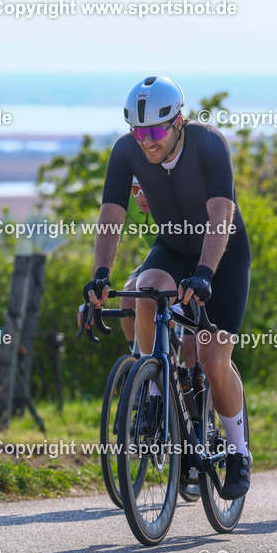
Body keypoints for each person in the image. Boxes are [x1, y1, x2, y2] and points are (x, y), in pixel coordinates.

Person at [84, 75, 253, 497]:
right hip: (174, 248)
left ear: (179, 121)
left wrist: (206, 274)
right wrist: (101, 275)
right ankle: (153, 387)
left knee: (214, 359)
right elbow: (111, 216)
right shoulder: (126, 151)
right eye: (139, 131)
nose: (147, 141)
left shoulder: (208, 143)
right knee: (146, 289)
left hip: (223, 255)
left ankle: (238, 452)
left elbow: (220, 215)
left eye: (156, 130)